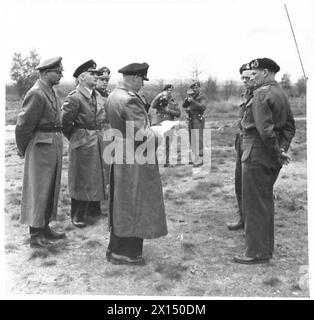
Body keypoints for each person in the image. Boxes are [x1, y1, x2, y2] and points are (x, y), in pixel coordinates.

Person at [233, 58, 296, 264]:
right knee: (264, 201)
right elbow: (289, 126)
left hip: (256, 152)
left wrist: (277, 151)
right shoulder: (280, 93)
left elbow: (265, 131)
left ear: (266, 72)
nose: (253, 76)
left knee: (254, 203)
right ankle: (264, 248)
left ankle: (256, 253)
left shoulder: (261, 93)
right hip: (269, 155)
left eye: (256, 73)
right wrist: (282, 149)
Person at [106, 62, 167, 265]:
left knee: (123, 201)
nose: (142, 84)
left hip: (121, 152)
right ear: (134, 78)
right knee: (134, 201)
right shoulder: (129, 100)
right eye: (142, 79)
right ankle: (126, 252)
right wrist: (159, 132)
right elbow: (142, 135)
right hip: (135, 155)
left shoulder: (115, 95)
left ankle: (116, 248)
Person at [15, 56, 65, 248]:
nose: (61, 73)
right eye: (58, 71)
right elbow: (23, 125)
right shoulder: (36, 93)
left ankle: (44, 226)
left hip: (51, 144)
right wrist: (23, 148)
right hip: (39, 146)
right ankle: (35, 233)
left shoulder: (50, 91)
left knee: (50, 186)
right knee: (38, 188)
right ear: (45, 72)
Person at [61, 60, 106, 228]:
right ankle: (78, 214)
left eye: (97, 73)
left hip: (97, 137)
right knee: (80, 176)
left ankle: (93, 210)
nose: (97, 76)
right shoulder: (75, 97)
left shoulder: (96, 95)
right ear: (81, 77)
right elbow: (65, 123)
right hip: (82, 139)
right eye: (92, 73)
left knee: (96, 174)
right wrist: (76, 137)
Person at [227, 63, 255, 231]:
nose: (244, 81)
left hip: (252, 144)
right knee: (239, 184)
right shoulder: (246, 94)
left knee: (251, 185)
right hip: (242, 142)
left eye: (247, 78)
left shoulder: (260, 95)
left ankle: (252, 225)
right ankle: (243, 218)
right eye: (242, 78)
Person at [151, 84, 181, 167]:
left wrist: (169, 111)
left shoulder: (173, 102)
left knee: (169, 144)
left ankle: (167, 161)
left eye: (171, 90)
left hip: (169, 124)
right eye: (168, 90)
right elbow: (153, 105)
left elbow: (178, 114)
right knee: (156, 143)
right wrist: (158, 96)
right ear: (164, 91)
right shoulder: (159, 100)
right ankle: (153, 161)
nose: (169, 92)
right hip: (159, 124)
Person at [182, 81, 207, 167]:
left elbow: (203, 107)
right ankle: (194, 158)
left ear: (199, 88)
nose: (195, 89)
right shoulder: (191, 96)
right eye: (193, 88)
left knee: (198, 139)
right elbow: (184, 105)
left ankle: (200, 160)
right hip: (191, 118)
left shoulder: (202, 97)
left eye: (196, 87)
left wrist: (193, 101)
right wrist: (187, 98)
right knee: (192, 139)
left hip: (198, 119)